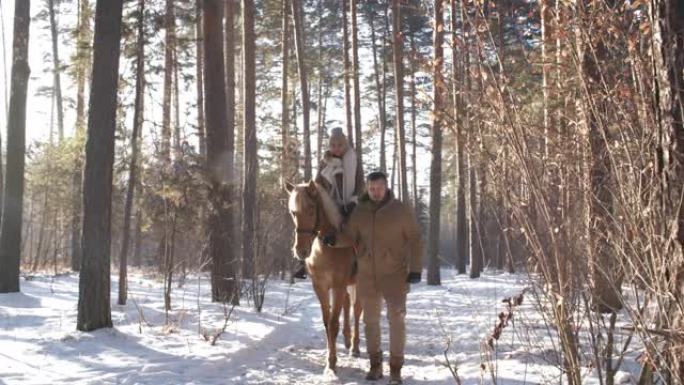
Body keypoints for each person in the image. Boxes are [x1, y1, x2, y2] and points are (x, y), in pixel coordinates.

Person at [341, 171, 423, 384]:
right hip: (367, 275)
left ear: (386, 187)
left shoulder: (400, 210)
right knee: (370, 321)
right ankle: (375, 365)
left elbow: (415, 239)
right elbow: (349, 237)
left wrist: (415, 269)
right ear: (367, 189)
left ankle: (395, 369)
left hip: (395, 275)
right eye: (371, 188)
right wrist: (331, 238)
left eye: (379, 188)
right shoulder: (360, 211)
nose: (375, 192)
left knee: (396, 319)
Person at [293, 127, 364, 279]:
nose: (336, 149)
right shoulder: (324, 162)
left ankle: (361, 262)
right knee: (311, 223)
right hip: (329, 201)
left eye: (339, 145)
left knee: (357, 228)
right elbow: (317, 181)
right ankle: (304, 263)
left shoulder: (353, 159)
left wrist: (353, 201)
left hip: (351, 201)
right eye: (333, 146)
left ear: (344, 145)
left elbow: (360, 183)